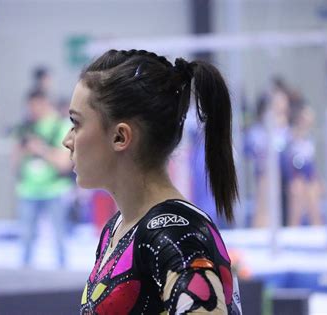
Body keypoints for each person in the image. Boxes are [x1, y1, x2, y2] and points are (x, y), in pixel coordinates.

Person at [62, 49, 241, 314]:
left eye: (76, 123)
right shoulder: (117, 229)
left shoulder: (175, 234)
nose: (67, 140)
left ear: (120, 137)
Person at [12, 90, 73, 268]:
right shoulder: (24, 127)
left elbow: (64, 163)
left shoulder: (60, 127)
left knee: (60, 237)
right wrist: (22, 151)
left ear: (45, 103)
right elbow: (14, 165)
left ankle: (63, 278)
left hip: (55, 190)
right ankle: (24, 277)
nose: (33, 110)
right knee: (26, 238)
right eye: (30, 106)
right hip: (28, 190)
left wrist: (41, 150)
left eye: (36, 105)